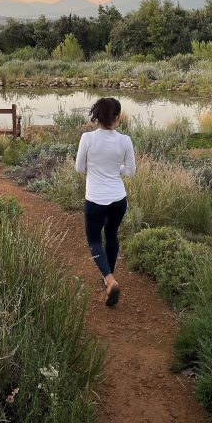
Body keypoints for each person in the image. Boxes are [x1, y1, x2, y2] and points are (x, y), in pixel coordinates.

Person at [75, 97, 136, 307]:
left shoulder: (87, 138)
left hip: (95, 199)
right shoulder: (125, 140)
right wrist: (114, 170)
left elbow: (79, 168)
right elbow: (130, 171)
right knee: (111, 234)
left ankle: (109, 279)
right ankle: (109, 276)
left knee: (93, 240)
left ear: (97, 117)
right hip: (119, 198)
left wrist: (97, 169)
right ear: (117, 118)